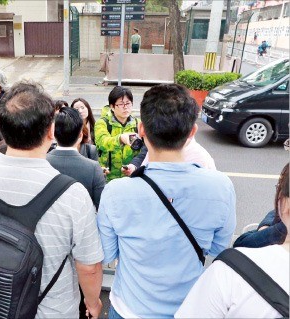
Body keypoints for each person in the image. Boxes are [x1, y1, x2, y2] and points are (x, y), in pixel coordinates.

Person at [0, 81, 105, 318]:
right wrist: (93, 303)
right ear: (51, 132)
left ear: (1, 126)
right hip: (49, 311)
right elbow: (89, 266)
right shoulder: (72, 194)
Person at [97, 84, 236, 318]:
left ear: (141, 129)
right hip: (189, 308)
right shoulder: (221, 187)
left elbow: (108, 254)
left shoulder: (115, 192)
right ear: (192, 132)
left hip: (129, 309)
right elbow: (218, 248)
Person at [176, 163, 289, 318]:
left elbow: (233, 244)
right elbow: (219, 243)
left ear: (285, 204)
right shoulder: (218, 181)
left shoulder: (230, 271)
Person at [47, 107, 106, 209]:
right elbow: (100, 206)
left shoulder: (43, 162)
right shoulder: (93, 168)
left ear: (53, 134)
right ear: (80, 135)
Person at [95, 86, 143, 181]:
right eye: (121, 104)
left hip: (131, 177)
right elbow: (102, 142)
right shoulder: (103, 123)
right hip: (108, 178)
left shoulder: (138, 123)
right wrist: (120, 138)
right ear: (112, 107)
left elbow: (145, 150)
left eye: (128, 103)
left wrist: (134, 165)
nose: (125, 107)